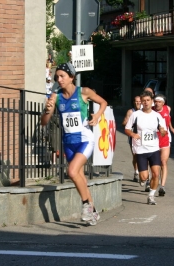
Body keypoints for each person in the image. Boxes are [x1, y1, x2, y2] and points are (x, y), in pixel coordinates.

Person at [41, 62, 107, 225]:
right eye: (57, 77)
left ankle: (86, 206)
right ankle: (93, 213)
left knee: (71, 172)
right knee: (80, 178)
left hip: (84, 140)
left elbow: (103, 102)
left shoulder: (83, 92)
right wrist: (47, 109)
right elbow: (44, 122)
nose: (59, 79)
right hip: (68, 142)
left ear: (72, 77)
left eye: (62, 76)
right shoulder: (55, 96)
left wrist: (98, 114)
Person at [124, 91, 167, 205]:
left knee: (156, 174)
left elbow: (163, 130)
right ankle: (143, 180)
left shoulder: (157, 116)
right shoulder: (136, 115)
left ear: (152, 101)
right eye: (144, 101)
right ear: (141, 102)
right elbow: (127, 129)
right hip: (140, 149)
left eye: (148, 100)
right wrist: (133, 135)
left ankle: (151, 195)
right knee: (144, 177)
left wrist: (163, 131)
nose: (146, 103)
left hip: (154, 149)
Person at [153, 94, 174, 196]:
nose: (157, 103)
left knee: (163, 162)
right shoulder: (151, 110)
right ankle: (153, 180)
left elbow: (168, 119)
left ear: (163, 103)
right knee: (154, 163)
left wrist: (171, 128)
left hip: (165, 138)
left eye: (159, 102)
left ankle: (162, 186)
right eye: (156, 101)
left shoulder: (167, 108)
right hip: (153, 139)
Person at [122, 95, 142, 182]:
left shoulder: (144, 111)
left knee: (144, 155)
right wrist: (129, 123)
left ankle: (143, 174)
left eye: (139, 101)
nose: (138, 103)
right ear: (133, 102)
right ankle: (136, 171)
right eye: (136, 101)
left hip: (143, 137)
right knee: (135, 156)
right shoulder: (131, 112)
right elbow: (124, 123)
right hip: (133, 137)